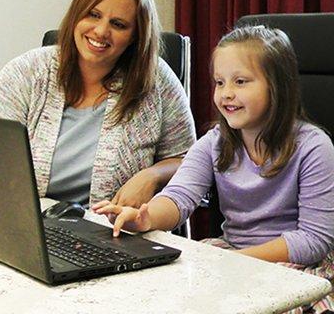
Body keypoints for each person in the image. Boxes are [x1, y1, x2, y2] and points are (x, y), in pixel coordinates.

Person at [93, 25, 334, 313]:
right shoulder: (214, 143)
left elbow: (313, 240)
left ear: (278, 86)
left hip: (300, 267)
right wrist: (145, 218)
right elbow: (178, 198)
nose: (226, 94)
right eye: (220, 83)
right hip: (234, 253)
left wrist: (236, 262)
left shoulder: (314, 147)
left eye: (241, 81)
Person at [0, 0, 196, 208]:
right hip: (26, 223)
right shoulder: (27, 72)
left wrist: (152, 176)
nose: (101, 31)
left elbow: (189, 159)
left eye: (118, 24)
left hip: (115, 230)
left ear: (136, 35)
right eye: (93, 14)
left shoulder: (156, 80)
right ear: (76, 14)